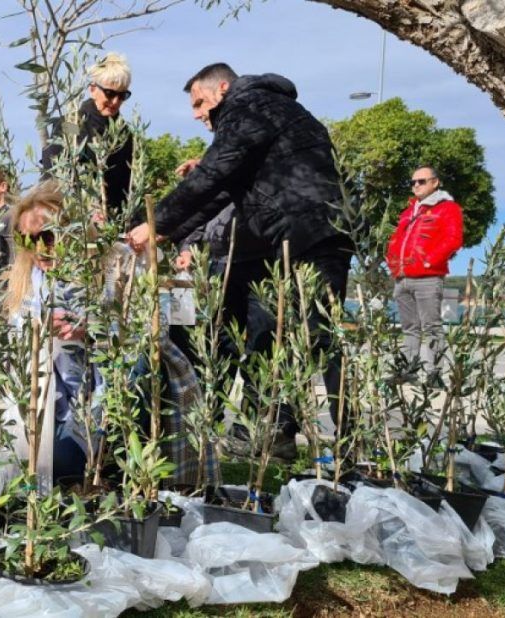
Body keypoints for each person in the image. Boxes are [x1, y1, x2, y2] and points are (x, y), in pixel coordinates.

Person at [129, 63, 354, 462]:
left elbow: (215, 174)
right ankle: (273, 433)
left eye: (200, 103)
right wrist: (167, 229)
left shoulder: (248, 107)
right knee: (272, 335)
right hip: (293, 236)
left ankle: (351, 444)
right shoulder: (266, 111)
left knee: (319, 338)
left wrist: (156, 222)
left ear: (223, 88)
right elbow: (223, 191)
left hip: (311, 235)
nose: (198, 114)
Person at [7, 183, 217, 486]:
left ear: (73, 230)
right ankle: (95, 466)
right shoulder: (30, 282)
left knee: (144, 362)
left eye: (48, 236)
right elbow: (19, 350)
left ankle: (116, 468)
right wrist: (36, 331)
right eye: (27, 238)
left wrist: (92, 333)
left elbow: (151, 328)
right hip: (59, 406)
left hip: (112, 396)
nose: (39, 248)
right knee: (51, 466)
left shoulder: (118, 262)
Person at [385, 165, 463, 385]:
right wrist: (392, 263)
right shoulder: (409, 211)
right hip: (402, 278)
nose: (416, 186)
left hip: (427, 278)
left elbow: (453, 239)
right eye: (413, 182)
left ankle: (434, 374)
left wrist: (429, 261)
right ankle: (408, 370)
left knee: (431, 327)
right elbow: (396, 240)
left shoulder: (448, 208)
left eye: (421, 181)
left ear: (435, 182)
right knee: (409, 328)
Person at [42, 52, 134, 226]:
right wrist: (84, 210)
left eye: (122, 96)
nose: (115, 101)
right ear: (93, 89)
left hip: (112, 226)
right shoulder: (69, 124)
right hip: (71, 224)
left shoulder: (125, 135)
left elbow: (127, 186)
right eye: (109, 93)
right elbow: (53, 175)